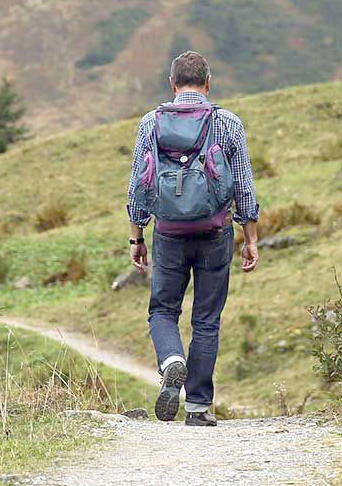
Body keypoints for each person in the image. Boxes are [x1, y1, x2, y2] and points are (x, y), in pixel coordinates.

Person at [126, 51, 260, 426]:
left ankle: (172, 360)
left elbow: (139, 183)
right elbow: (245, 186)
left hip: (168, 232)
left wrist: (137, 236)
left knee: (163, 310)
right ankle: (198, 407)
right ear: (208, 82)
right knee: (206, 319)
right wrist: (250, 237)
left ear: (172, 84)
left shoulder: (151, 123)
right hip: (215, 231)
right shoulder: (228, 123)